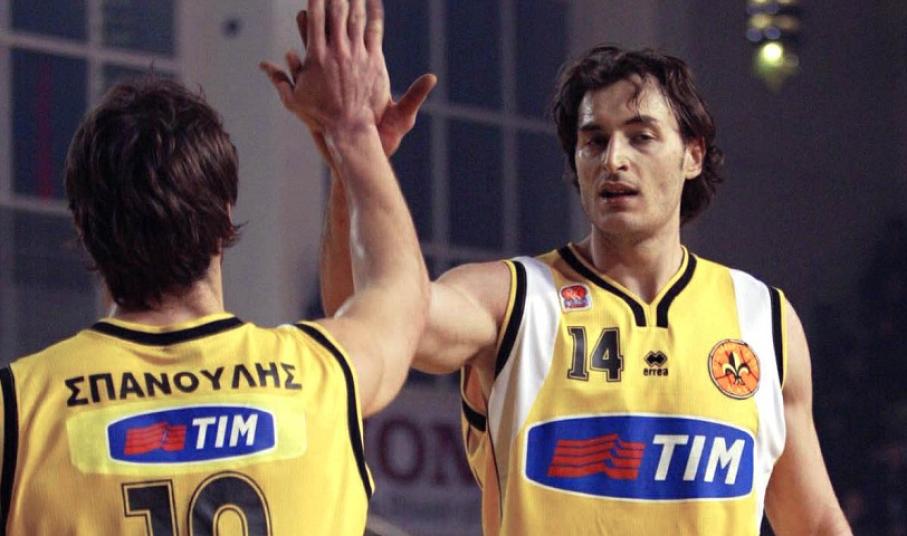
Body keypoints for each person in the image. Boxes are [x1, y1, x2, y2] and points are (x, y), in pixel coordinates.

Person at [290, 19, 852, 534]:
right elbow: (362, 316)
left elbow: (816, 522)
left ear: (693, 155)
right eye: (594, 140)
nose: (613, 159)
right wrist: (352, 155)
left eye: (641, 135)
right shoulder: (514, 298)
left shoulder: (763, 319)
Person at [0, 1, 427, 534]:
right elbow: (400, 290)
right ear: (225, 212)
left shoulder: (21, 411)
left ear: (85, 230)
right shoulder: (323, 377)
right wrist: (354, 135)